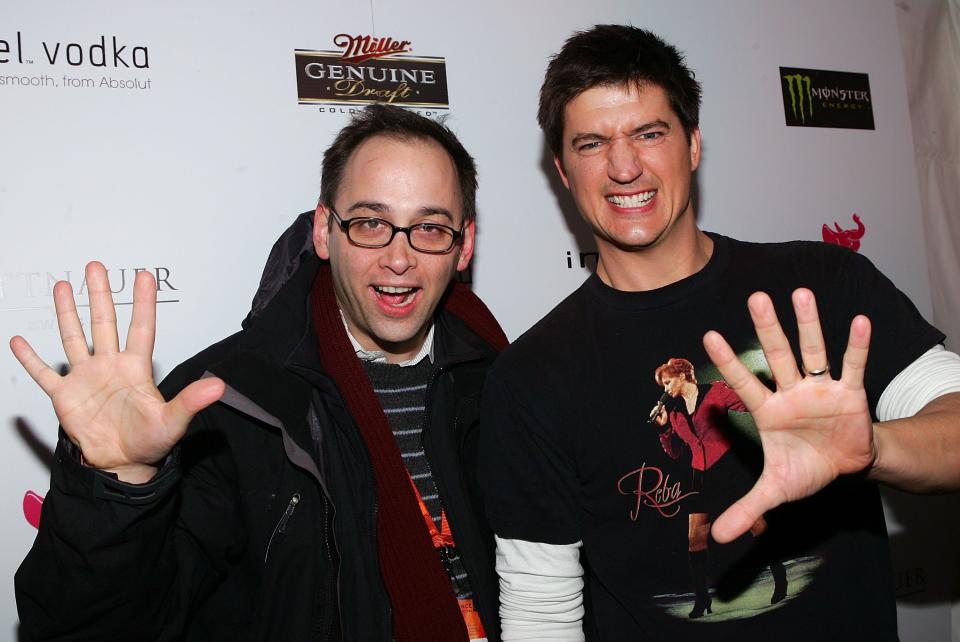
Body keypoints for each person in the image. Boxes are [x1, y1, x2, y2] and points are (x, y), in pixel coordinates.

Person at [478, 24, 960, 641]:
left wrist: (874, 448)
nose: (624, 167)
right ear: (564, 172)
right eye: (592, 143)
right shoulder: (531, 377)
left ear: (694, 145)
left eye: (649, 134)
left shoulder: (822, 285)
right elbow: (540, 615)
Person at [12, 104, 505, 641]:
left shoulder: (503, 381)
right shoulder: (225, 402)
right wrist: (119, 487)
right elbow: (90, 628)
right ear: (324, 231)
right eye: (370, 223)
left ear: (464, 245)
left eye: (430, 228)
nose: (399, 256)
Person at [652, 357, 786, 617]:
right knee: (695, 538)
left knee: (755, 524)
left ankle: (780, 578)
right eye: (663, 385)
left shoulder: (716, 391)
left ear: (682, 376)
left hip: (728, 467)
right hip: (700, 475)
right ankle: (702, 600)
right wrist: (665, 427)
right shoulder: (676, 411)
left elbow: (753, 404)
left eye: (667, 382)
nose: (665, 389)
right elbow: (675, 453)